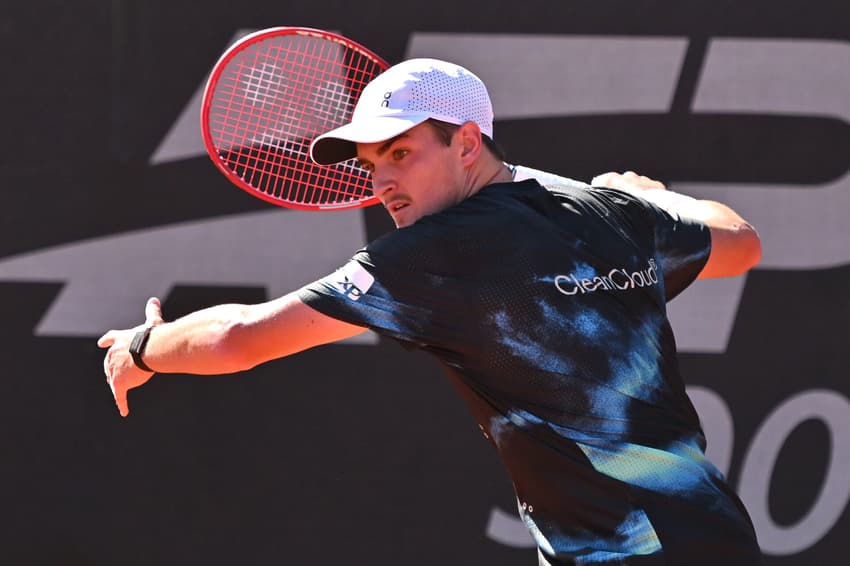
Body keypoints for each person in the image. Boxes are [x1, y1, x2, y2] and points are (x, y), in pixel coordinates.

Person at [99, 58, 762, 564]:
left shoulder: (439, 251)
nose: (381, 181)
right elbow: (740, 244)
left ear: (467, 143)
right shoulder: (604, 210)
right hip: (716, 538)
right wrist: (656, 200)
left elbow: (240, 339)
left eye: (400, 153)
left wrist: (142, 348)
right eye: (370, 163)